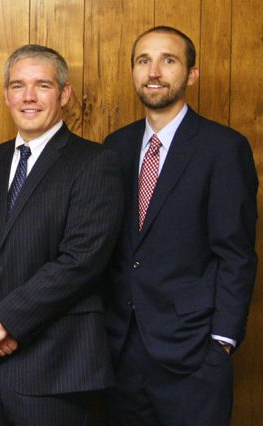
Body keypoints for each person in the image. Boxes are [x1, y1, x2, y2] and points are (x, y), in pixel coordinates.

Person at [0, 44, 124, 426]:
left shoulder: (95, 163)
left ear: (64, 95)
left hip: (57, 367)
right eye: (18, 85)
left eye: (42, 85)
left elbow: (81, 261)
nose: (28, 97)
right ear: (6, 95)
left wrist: (8, 321)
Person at [104, 26, 258, 426]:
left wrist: (221, 342)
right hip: (121, 350)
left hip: (194, 354)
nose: (154, 71)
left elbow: (236, 255)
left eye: (168, 60)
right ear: (133, 72)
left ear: (191, 74)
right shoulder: (115, 147)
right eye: (143, 60)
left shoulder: (223, 149)